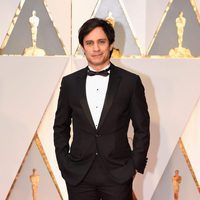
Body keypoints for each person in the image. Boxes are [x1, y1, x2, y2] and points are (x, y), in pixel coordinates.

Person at [53, 18, 150, 200]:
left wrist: (134, 164)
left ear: (111, 44)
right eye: (89, 43)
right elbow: (60, 126)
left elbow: (142, 128)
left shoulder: (131, 82)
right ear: (83, 47)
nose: (96, 48)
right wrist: (63, 163)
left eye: (101, 42)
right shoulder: (69, 83)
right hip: (79, 174)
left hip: (118, 172)